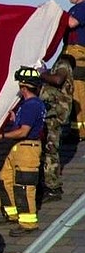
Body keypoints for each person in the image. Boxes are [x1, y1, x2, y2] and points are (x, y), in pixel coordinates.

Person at [0, 67, 46, 237]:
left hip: (27, 149)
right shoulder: (29, 105)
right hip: (20, 148)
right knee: (4, 178)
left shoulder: (31, 105)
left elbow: (23, 132)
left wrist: (3, 135)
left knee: (24, 185)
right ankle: (13, 213)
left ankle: (28, 223)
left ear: (23, 88)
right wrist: (15, 120)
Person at [39, 54, 75, 202]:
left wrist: (42, 73)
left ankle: (53, 187)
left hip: (54, 115)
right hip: (50, 113)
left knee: (50, 150)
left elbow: (57, 79)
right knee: (47, 150)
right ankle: (47, 182)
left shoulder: (63, 64)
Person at [61, 0, 85, 141]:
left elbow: (71, 23)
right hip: (69, 53)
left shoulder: (82, 8)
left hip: (78, 54)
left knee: (78, 92)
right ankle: (72, 128)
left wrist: (56, 15)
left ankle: (81, 130)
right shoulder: (74, 8)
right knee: (68, 92)